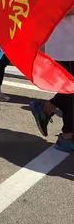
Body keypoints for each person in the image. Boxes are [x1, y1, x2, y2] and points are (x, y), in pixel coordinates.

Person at [29, 10, 74, 153]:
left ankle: (46, 108)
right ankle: (67, 137)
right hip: (66, 45)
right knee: (70, 91)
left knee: (69, 91)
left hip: (67, 43)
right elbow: (60, 8)